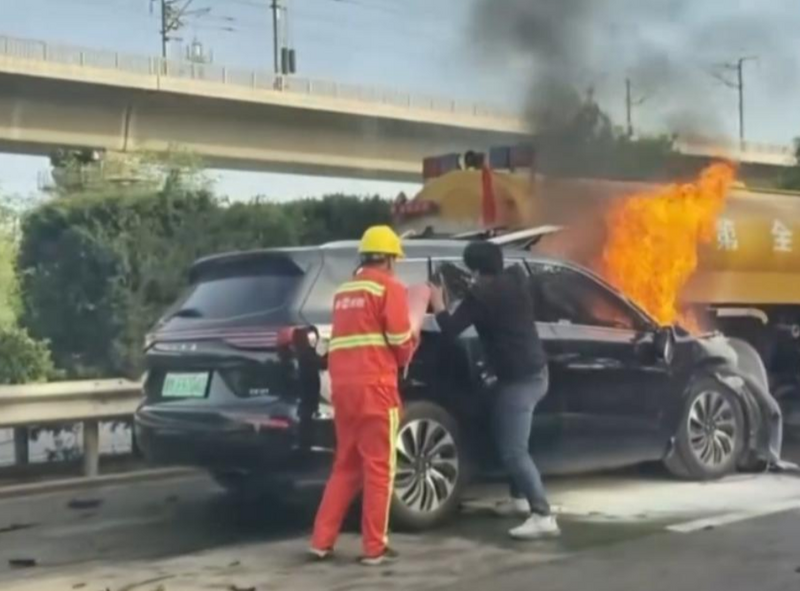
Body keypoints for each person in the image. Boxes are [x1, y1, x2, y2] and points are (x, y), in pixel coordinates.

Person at [429, 241, 559, 540]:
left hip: (520, 381)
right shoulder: (515, 283)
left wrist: (437, 303)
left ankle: (543, 515)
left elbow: (450, 329)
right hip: (533, 373)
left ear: (474, 269)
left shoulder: (482, 295)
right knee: (504, 432)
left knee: (513, 450)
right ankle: (518, 499)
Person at [309, 225, 418, 566]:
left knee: (345, 467)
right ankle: (374, 547)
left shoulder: (345, 292)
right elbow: (400, 344)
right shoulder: (389, 288)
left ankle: (321, 541)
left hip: (343, 391)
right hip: (376, 390)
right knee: (379, 468)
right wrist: (413, 344)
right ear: (388, 259)